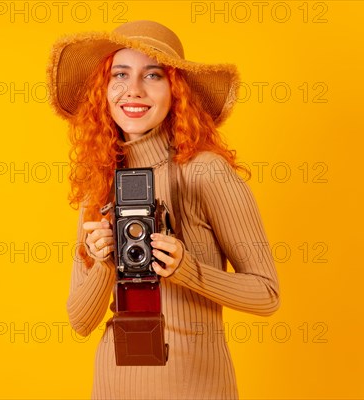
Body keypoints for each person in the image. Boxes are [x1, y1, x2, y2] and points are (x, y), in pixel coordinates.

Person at [46, 20, 280, 399]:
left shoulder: (205, 171)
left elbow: (267, 295)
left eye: (152, 75)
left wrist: (187, 270)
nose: (133, 90)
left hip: (197, 385)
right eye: (120, 74)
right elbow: (80, 321)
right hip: (113, 384)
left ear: (176, 91)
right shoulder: (100, 180)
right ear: (103, 90)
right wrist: (104, 262)